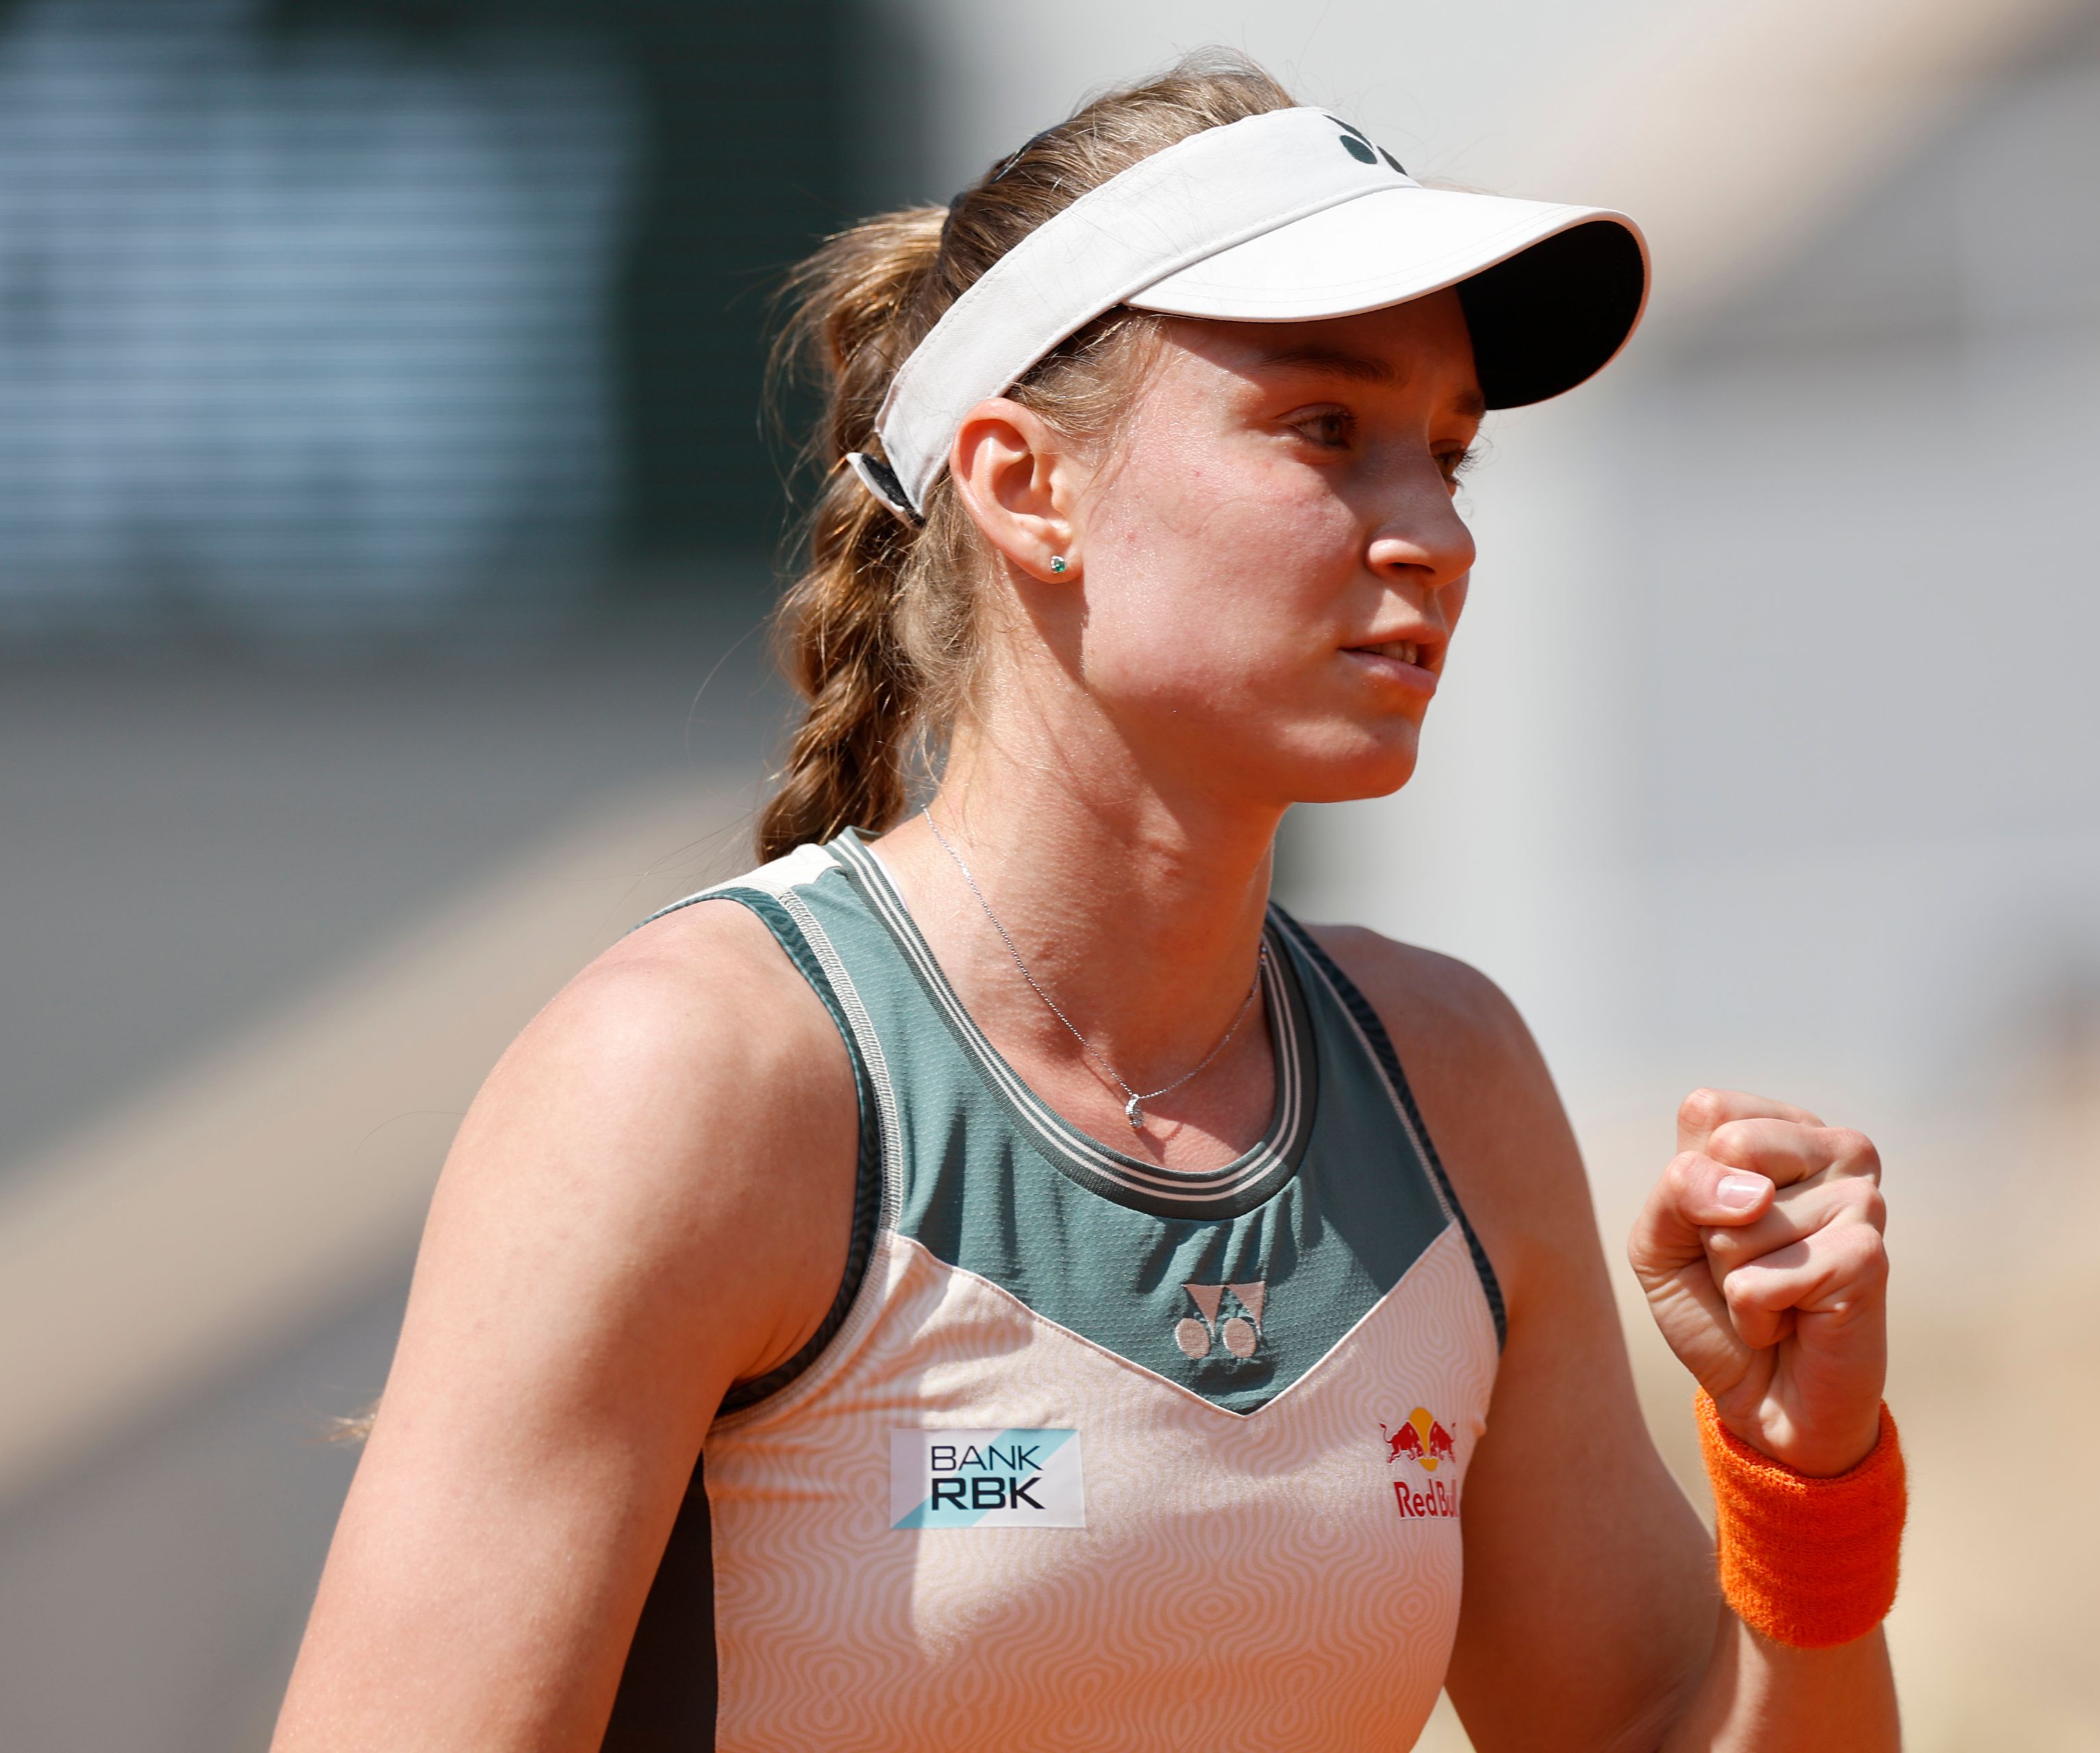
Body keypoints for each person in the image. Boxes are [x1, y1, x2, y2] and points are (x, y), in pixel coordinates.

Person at [273, 51, 1901, 1753]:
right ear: (1026, 481)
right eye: (1326, 429)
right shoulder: (689, 1077)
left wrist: (1807, 1478)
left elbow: (1650, 1728)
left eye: (1448, 454)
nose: (1432, 532)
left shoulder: (1455, 1078)